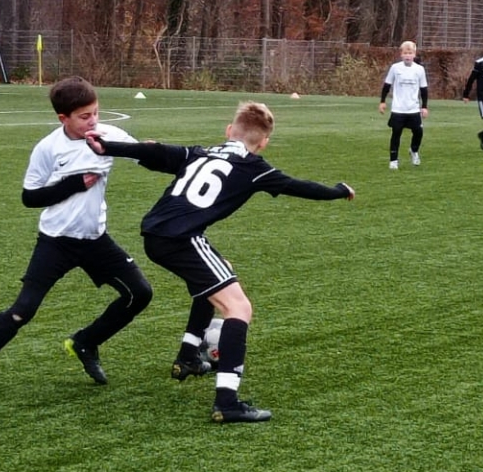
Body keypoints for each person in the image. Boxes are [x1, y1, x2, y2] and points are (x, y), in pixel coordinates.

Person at [86, 101, 354, 424]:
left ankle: (188, 356)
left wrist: (108, 147)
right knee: (239, 308)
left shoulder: (199, 153)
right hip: (180, 239)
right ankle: (227, 402)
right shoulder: (254, 167)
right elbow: (299, 187)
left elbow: (154, 152)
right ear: (263, 142)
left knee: (219, 270)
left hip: (156, 234)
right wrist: (337, 191)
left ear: (229, 130)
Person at [0, 77, 153, 400]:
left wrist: (166, 155)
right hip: (56, 242)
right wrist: (73, 184)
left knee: (140, 293)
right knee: (22, 310)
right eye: (84, 116)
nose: (93, 120)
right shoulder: (48, 148)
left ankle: (86, 342)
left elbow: (144, 155)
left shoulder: (109, 135)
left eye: (95, 112)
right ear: (63, 118)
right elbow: (30, 197)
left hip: (95, 240)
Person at [380, 40, 430, 169]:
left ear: (414, 54)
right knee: (396, 133)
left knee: (418, 132)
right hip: (398, 109)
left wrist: (424, 107)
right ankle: (393, 160)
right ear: (401, 54)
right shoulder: (395, 68)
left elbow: (424, 89)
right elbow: (387, 85)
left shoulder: (419, 69)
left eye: (410, 53)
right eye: (405, 53)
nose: (408, 55)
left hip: (413, 109)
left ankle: (414, 150)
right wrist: (382, 101)